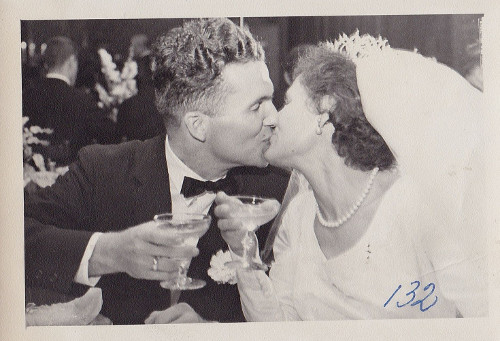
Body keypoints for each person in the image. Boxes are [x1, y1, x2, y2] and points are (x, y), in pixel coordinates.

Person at [24, 18, 289, 324]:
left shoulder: (279, 194)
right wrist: (110, 252)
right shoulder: (103, 172)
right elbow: (13, 237)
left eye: (271, 98)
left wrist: (215, 331)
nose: (274, 117)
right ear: (197, 126)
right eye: (258, 106)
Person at [215, 37, 487, 320]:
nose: (272, 118)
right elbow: (278, 328)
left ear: (324, 110)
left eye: (286, 102)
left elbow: (483, 318)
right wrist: (242, 249)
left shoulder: (415, 205)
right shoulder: (298, 216)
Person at [22, 36, 117, 165]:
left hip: (31, 177)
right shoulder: (82, 100)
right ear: (72, 61)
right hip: (70, 179)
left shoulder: (26, 95)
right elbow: (110, 134)